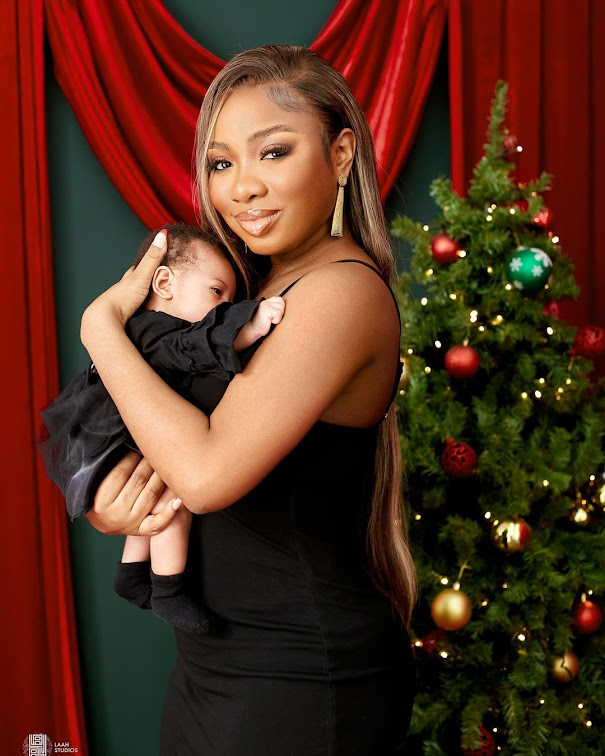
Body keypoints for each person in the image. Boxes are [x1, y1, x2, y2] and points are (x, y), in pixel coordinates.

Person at [80, 44, 419, 755]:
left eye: (273, 152)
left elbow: (206, 474)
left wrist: (100, 328)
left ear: (340, 155)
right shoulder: (251, 290)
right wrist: (116, 501)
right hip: (215, 667)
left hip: (298, 680)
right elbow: (168, 438)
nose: (242, 188)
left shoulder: (340, 292)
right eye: (221, 163)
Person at [38, 223, 285, 633]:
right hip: (112, 442)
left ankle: (132, 572)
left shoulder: (139, 329)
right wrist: (250, 325)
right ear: (165, 283)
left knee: (155, 495)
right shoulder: (156, 329)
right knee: (174, 498)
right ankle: (168, 590)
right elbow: (195, 346)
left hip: (111, 441)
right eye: (216, 292)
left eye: (230, 300)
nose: (224, 306)